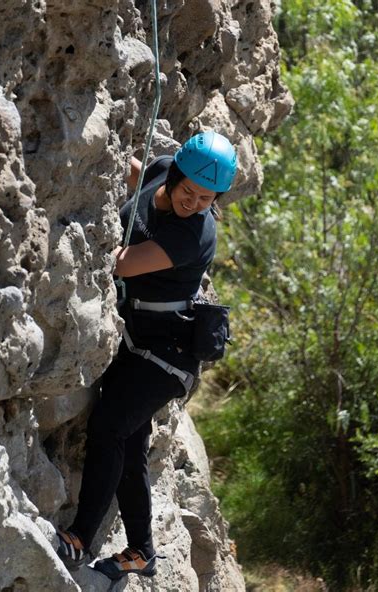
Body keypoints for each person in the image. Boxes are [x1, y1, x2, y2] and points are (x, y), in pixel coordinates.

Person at [56, 130, 237, 581]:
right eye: (188, 191)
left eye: (205, 198)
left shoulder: (195, 235)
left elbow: (122, 264)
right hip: (138, 340)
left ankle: (79, 537)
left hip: (168, 356)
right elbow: (131, 172)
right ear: (174, 174)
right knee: (130, 442)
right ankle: (141, 552)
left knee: (108, 429)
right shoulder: (160, 167)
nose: (192, 203)